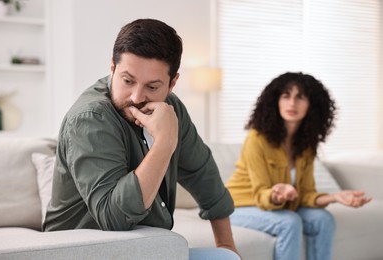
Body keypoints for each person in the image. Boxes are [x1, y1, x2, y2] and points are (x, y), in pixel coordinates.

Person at [43, 18, 240, 260]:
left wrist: (227, 244)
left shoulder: (171, 109)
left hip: (143, 250)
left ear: (172, 83)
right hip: (82, 252)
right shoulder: (90, 119)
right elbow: (113, 218)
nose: (137, 96)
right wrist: (164, 144)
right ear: (112, 68)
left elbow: (202, 173)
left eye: (152, 86)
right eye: (128, 81)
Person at [226, 72, 371, 260]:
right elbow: (261, 194)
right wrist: (277, 195)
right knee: (289, 221)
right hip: (237, 206)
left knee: (324, 219)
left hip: (277, 205)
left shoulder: (307, 144)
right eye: (286, 96)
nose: (292, 103)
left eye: (300, 97)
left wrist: (335, 197)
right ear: (275, 101)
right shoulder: (257, 139)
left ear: (312, 105)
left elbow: (306, 194)